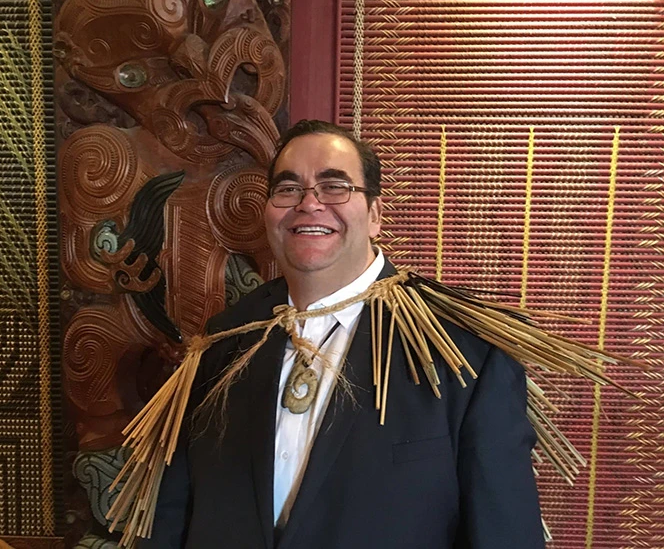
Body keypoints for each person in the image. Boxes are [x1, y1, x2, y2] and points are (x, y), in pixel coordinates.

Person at [143, 120, 545, 548]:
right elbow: (172, 514)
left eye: (334, 186)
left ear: (374, 215)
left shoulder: (466, 349)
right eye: (288, 188)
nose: (309, 204)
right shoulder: (223, 339)